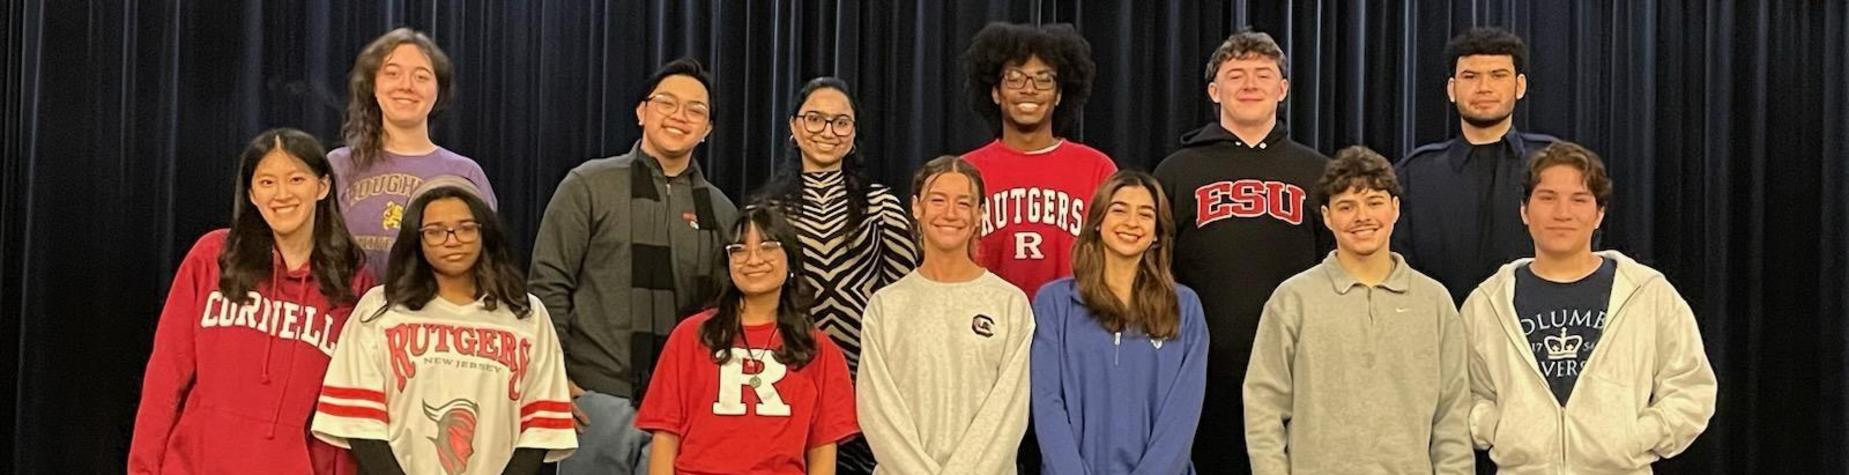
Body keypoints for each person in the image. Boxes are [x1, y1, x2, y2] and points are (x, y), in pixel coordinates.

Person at [529, 57, 740, 474]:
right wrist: (554, 379)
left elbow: (727, 311)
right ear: (642, 111)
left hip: (684, 412)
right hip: (595, 400)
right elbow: (548, 284)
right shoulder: (589, 184)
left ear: (708, 129)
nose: (680, 116)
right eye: (667, 102)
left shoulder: (721, 210)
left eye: (696, 110)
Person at [130, 128, 373, 474]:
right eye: (267, 182)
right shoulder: (213, 256)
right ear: (251, 193)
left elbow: (347, 410)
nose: (282, 194)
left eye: (296, 179)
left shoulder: (352, 280)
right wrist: (143, 467)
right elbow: (166, 375)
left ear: (322, 186)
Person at [1463, 142, 1715, 473]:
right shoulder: (1487, 303)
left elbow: (1691, 387)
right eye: (1547, 197)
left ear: (1599, 214)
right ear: (1525, 211)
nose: (1562, 213)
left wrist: (1636, 436)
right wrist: (1502, 429)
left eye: (1579, 199)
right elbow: (1463, 392)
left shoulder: (1647, 293)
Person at [1152, 29, 1332, 472]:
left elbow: (1337, 268)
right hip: (1200, 369)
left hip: (1298, 368)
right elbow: (1154, 268)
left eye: (1263, 74)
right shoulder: (1177, 170)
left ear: (1283, 88)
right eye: (1236, 75)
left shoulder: (1318, 171)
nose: (1250, 84)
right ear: (1214, 90)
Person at [312, 184, 576, 475]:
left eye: (465, 228)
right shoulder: (379, 309)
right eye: (435, 231)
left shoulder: (526, 313)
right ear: (417, 240)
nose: (452, 240)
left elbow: (539, 425)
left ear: (484, 233)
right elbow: (360, 422)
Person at [1242, 146, 1472, 474]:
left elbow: (1452, 414)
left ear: (1394, 209)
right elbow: (1264, 407)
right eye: (1346, 206)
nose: (1362, 217)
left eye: (1374, 202)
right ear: (1326, 216)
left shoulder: (1433, 301)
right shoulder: (1293, 299)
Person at [758, 77, 919, 474]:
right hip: (785, 374)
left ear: (853, 134)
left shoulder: (881, 205)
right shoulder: (768, 210)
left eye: (840, 122)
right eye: (814, 119)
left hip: (867, 383)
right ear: (794, 128)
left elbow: (905, 301)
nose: (827, 132)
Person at [635, 205, 860, 474]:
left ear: (790, 258)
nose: (753, 259)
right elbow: (665, 434)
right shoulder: (691, 335)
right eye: (739, 249)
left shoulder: (819, 349)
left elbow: (822, 450)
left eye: (767, 246)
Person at [857, 156, 1034, 474]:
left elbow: (1008, 414)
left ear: (980, 215)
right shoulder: (886, 307)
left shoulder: (1010, 304)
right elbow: (877, 412)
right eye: (937, 200)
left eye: (964, 203)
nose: (950, 214)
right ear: (916, 208)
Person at [1030, 170, 1209, 474]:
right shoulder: (1054, 303)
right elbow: (1048, 405)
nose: (1131, 222)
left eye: (1145, 214)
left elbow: (1182, 415)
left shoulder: (1185, 307)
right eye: (1119, 210)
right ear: (1098, 221)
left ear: (1156, 234)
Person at [1395, 27, 1559, 305]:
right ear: (1451, 88)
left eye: (1498, 75)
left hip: (1542, 331)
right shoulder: (1415, 174)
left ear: (1520, 86)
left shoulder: (1557, 165)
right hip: (1440, 331)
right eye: (1470, 76)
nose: (1484, 87)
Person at [960, 22, 1119, 299]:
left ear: (1059, 94)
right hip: (985, 327)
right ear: (995, 92)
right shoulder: (965, 171)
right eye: (1014, 77)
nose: (1029, 89)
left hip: (1075, 327)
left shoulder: (1097, 169)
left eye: (1043, 78)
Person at [330, 28, 498, 281]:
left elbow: (486, 261)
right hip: (347, 313)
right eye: (393, 73)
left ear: (438, 91)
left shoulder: (464, 174)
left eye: (421, 76)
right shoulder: (338, 166)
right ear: (373, 85)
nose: (406, 86)